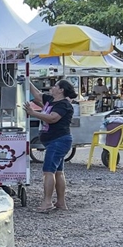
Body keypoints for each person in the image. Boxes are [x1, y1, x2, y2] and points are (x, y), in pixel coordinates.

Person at [23, 79, 76, 213]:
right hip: (55, 141)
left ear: (61, 90)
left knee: (48, 171)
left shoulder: (63, 105)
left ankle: (47, 202)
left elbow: (53, 118)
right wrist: (27, 81)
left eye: (56, 86)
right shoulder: (52, 100)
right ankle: (61, 202)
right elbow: (37, 95)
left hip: (58, 141)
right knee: (58, 171)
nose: (52, 87)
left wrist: (33, 113)